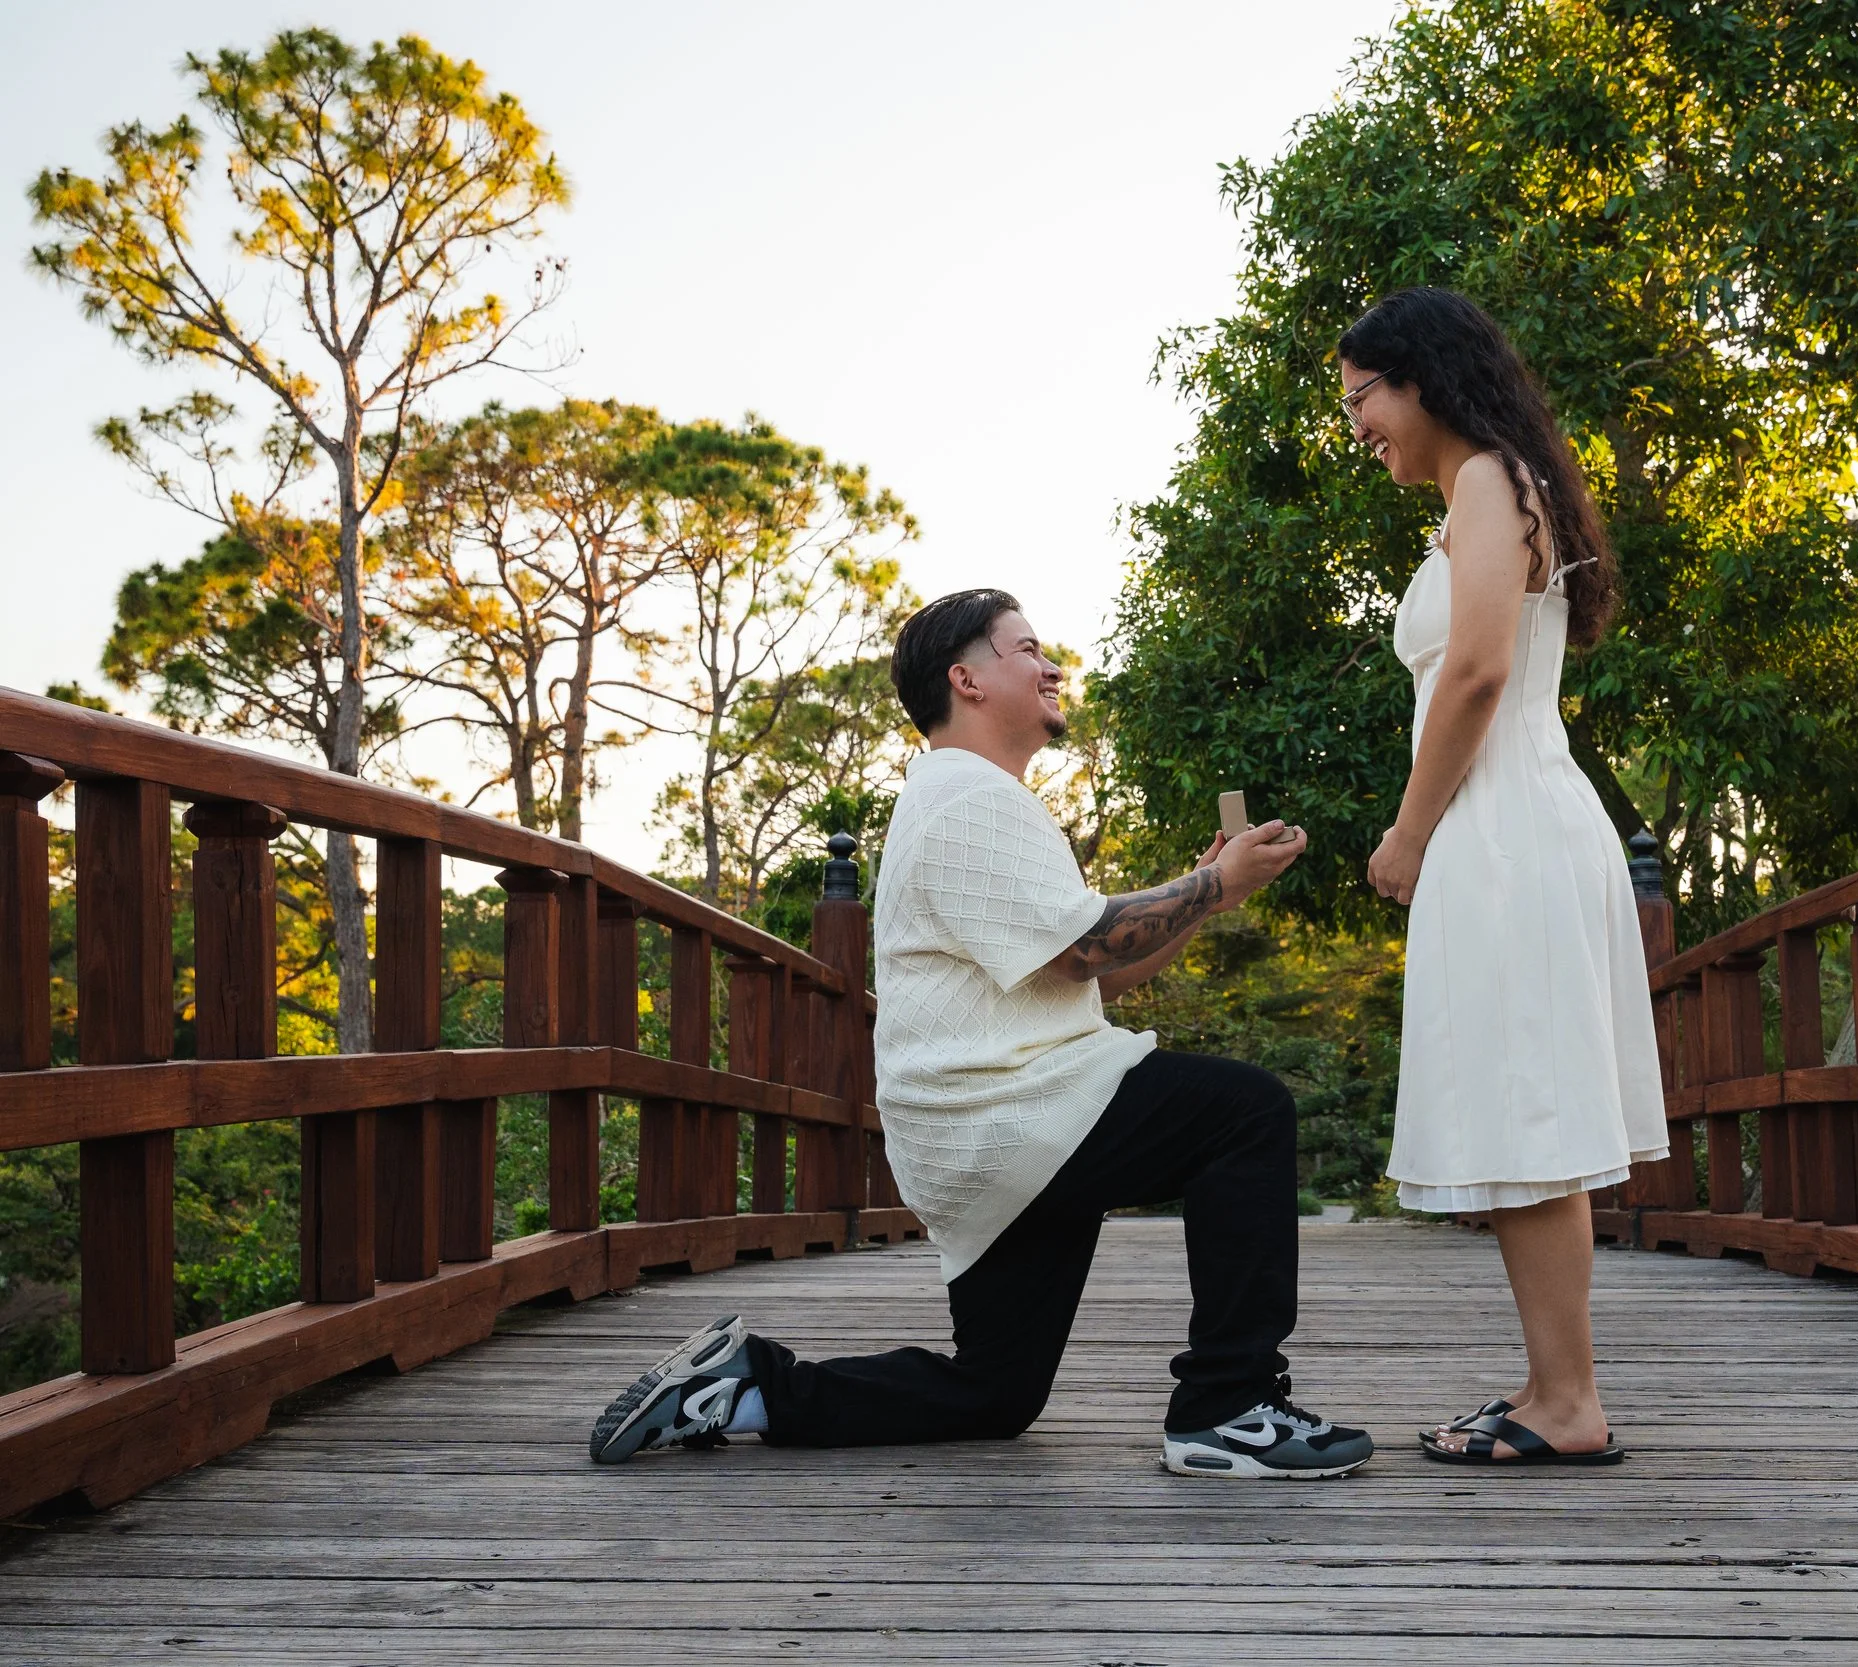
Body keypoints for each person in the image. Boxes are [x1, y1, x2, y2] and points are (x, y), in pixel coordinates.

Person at [588, 589, 1374, 1480]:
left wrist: (1201, 895)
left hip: (984, 1127)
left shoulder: (961, 798)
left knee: (996, 1390)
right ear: (965, 678)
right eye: (1025, 648)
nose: (1050, 666)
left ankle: (746, 1387)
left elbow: (1097, 968)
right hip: (1012, 1109)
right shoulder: (969, 797)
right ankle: (1230, 1407)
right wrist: (1212, 889)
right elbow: (1086, 946)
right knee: (1245, 1110)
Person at [1341, 287, 1668, 1466]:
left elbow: (1476, 670)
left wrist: (1409, 833)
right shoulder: (1493, 488)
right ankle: (1548, 1387)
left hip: (1503, 823)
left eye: (1363, 395)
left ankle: (1568, 1401)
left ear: (1421, 377)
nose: (1358, 423)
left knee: (1533, 1107)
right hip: (1516, 819)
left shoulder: (1485, 480)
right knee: (1527, 1103)